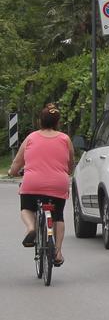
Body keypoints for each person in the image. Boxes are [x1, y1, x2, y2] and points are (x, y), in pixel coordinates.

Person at [7, 103, 75, 266]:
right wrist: (68, 172)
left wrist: (12, 172)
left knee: (26, 208)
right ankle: (58, 253)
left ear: (40, 121)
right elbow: (70, 163)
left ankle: (31, 227)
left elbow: (17, 163)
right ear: (57, 122)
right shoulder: (65, 139)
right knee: (58, 216)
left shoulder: (31, 138)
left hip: (33, 184)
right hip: (58, 184)